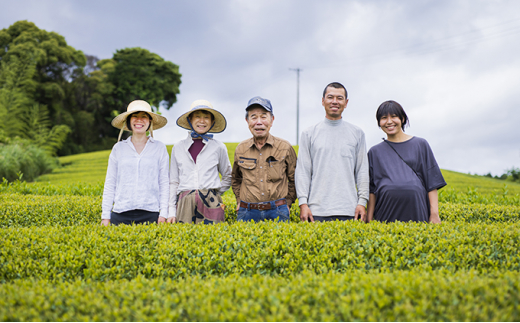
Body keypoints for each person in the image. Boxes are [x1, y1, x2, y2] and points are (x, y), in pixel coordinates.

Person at [295, 82, 369, 222]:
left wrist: (362, 202)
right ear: (323, 101)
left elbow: (362, 171)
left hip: (349, 210)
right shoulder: (309, 133)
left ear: (346, 103)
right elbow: (303, 171)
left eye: (339, 98)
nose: (335, 101)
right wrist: (303, 203)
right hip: (316, 211)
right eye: (330, 97)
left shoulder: (357, 133)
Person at [367, 100, 446, 223]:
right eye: (383, 118)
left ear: (402, 119)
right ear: (379, 122)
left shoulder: (421, 144)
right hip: (385, 212)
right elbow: (372, 191)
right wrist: (369, 219)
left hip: (417, 211)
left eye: (393, 117)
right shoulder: (374, 152)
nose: (389, 122)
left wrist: (434, 214)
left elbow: (432, 184)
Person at [101, 100, 169, 226]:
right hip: (121, 213)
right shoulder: (118, 148)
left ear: (149, 122)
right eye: (135, 116)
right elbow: (110, 182)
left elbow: (164, 183)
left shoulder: (159, 148)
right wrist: (105, 215)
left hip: (151, 213)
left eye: (144, 117)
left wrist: (164, 213)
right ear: (128, 121)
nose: (139, 120)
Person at [231, 96, 297, 222]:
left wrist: (287, 203)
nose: (259, 122)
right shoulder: (241, 149)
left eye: (263, 116)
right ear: (247, 121)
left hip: (278, 210)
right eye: (254, 117)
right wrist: (239, 200)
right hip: (247, 212)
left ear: (272, 120)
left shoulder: (285, 147)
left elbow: (295, 179)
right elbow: (236, 178)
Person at [168, 100, 232, 224]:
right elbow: (174, 181)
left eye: (206, 117)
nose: (202, 121)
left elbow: (228, 175)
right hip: (184, 201)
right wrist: (171, 210)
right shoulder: (178, 147)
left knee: (214, 238)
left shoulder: (219, 147)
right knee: (185, 240)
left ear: (212, 122)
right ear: (190, 120)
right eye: (197, 116)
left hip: (211, 201)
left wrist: (215, 192)